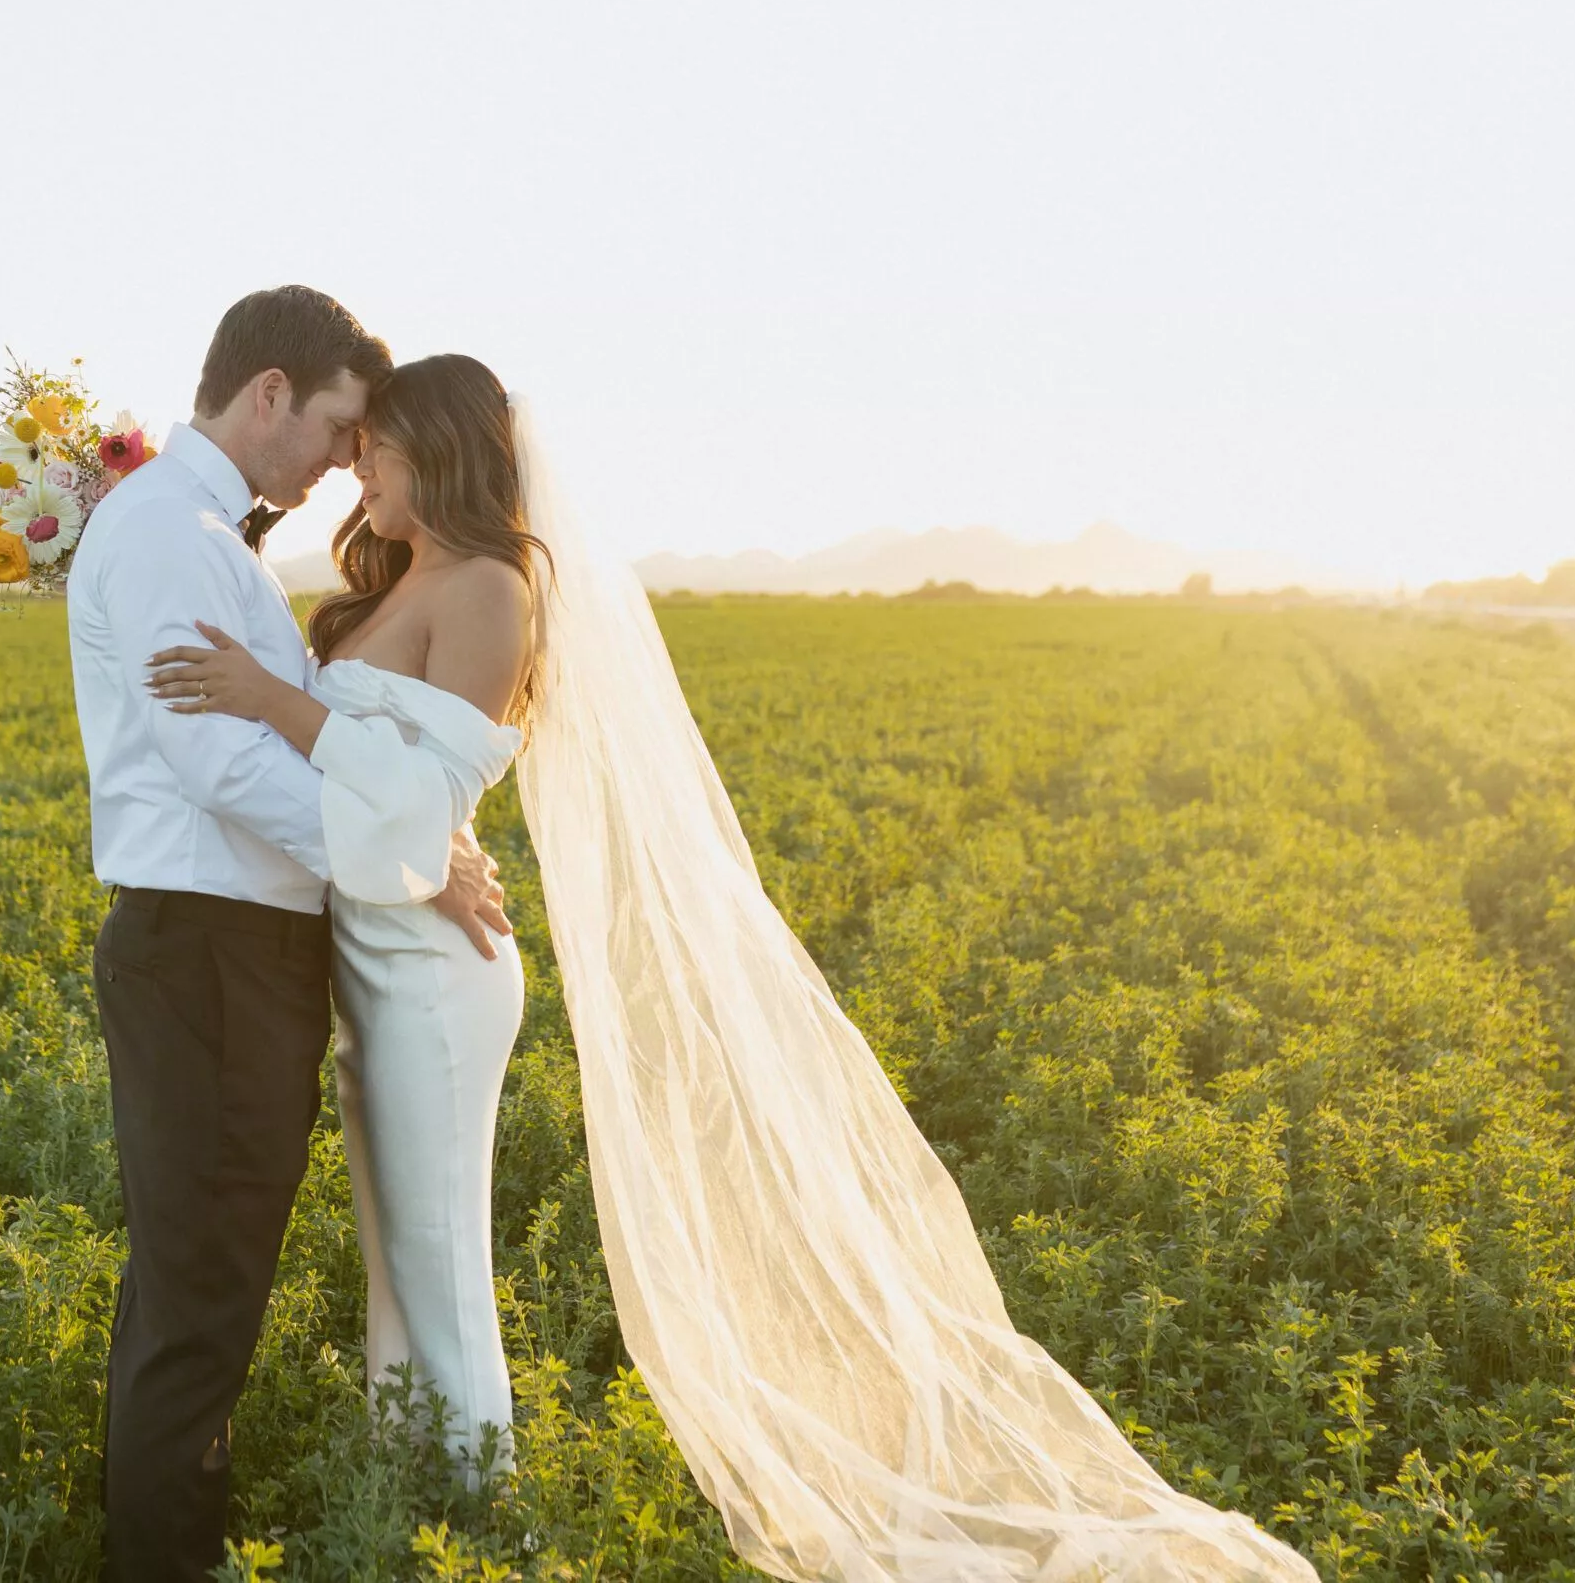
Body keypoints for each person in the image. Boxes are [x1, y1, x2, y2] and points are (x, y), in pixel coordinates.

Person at [147, 363, 1323, 1582]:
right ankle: (412, 1497)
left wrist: (272, 701)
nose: (356, 467)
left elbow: (413, 802)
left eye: (376, 446)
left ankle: (476, 1529)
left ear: (439, 453)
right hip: (375, 957)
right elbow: (394, 814)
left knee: (442, 1264)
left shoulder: (494, 590)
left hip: (436, 981)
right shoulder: (401, 580)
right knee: (400, 1261)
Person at [64, 288, 510, 1583]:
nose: (341, 462)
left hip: (239, 949)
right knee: (200, 1299)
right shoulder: (167, 531)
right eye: (334, 427)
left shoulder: (207, 531)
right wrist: (403, 856)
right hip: (207, 949)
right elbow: (218, 765)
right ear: (270, 394)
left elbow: (307, 738)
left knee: (196, 1285)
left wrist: (415, 828)